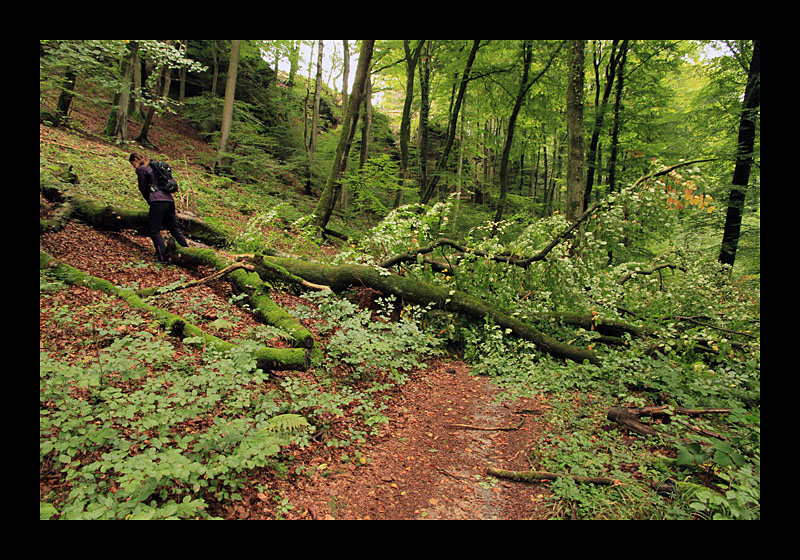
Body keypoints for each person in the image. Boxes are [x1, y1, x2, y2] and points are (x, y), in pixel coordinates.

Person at [129, 152, 189, 264]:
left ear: (135, 160)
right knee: (173, 228)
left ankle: (163, 258)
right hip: (169, 200)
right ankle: (189, 252)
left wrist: (150, 200)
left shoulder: (142, 169)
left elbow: (142, 188)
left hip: (158, 201)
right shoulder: (153, 165)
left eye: (133, 164)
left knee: (154, 230)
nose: (133, 167)